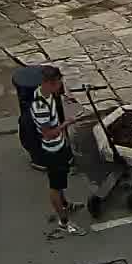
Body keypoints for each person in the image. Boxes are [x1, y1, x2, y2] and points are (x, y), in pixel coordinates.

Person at [31, 66, 82, 236]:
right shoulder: (40, 106)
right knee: (55, 186)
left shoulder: (47, 94)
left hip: (60, 146)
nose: (61, 86)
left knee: (60, 182)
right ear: (50, 83)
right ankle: (64, 221)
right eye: (59, 84)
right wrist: (66, 123)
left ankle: (65, 204)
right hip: (52, 150)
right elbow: (48, 134)